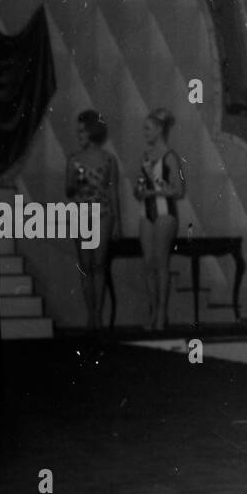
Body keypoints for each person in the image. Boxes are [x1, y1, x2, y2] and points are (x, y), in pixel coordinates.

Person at [64, 108, 120, 331]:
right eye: (78, 132)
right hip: (80, 213)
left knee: (98, 264)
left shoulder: (109, 159)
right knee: (86, 265)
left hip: (103, 213)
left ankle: (97, 315)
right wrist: (75, 183)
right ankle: (91, 315)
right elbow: (68, 190)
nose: (79, 136)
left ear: (93, 132)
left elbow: (113, 191)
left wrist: (119, 224)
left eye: (82, 132)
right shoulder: (73, 159)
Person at [133, 108, 185, 332]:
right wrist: (140, 191)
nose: (144, 132)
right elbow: (140, 187)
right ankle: (153, 310)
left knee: (161, 263)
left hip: (166, 214)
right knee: (148, 264)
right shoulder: (145, 156)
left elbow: (179, 190)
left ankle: (162, 313)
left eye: (148, 128)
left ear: (160, 130)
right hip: (146, 212)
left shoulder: (171, 157)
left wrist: (154, 192)